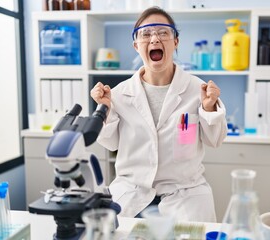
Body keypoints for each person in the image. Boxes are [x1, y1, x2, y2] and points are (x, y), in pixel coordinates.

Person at [90, 6, 227, 222]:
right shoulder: (119, 94)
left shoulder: (197, 90)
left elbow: (215, 140)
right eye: (146, 34)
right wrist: (105, 109)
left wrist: (209, 109)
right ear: (136, 45)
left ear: (176, 41)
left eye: (163, 32)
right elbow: (110, 143)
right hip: (132, 193)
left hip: (185, 195)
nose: (154, 38)